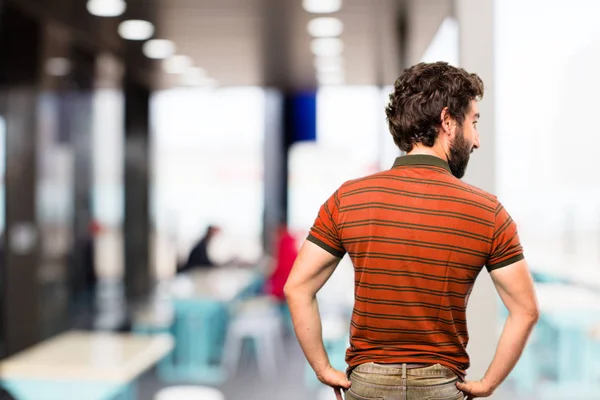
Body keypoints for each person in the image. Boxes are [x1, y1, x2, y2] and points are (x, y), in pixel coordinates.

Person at [284, 62, 539, 400]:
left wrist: (322, 368)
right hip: (440, 386)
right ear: (448, 122)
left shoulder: (348, 198)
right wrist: (488, 383)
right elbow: (526, 310)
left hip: (368, 383)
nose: (476, 140)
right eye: (473, 123)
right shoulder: (488, 211)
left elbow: (297, 287)